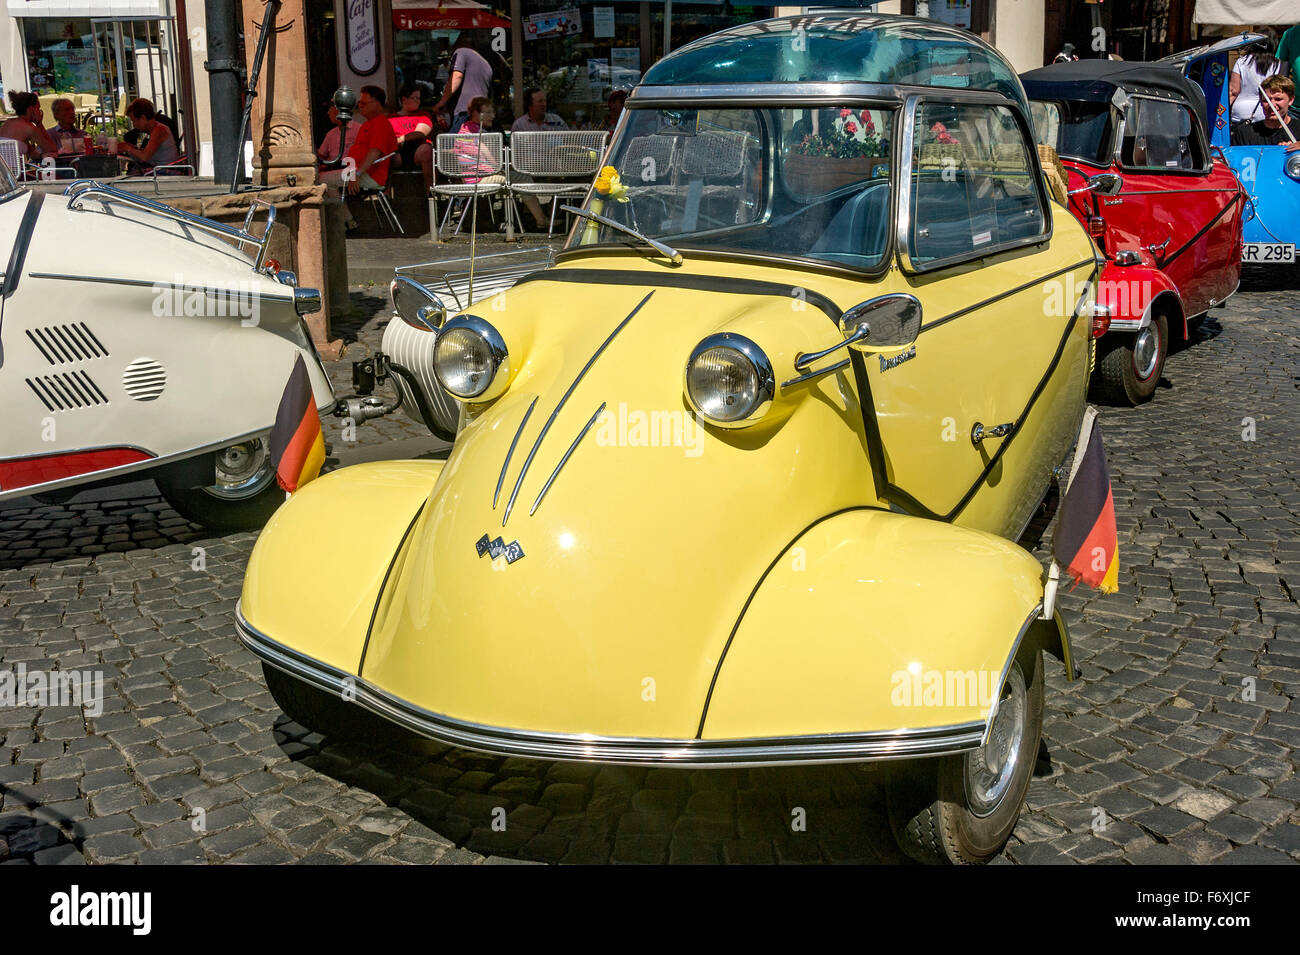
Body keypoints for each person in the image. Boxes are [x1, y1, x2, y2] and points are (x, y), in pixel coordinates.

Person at [320, 85, 399, 230]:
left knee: (322, 180)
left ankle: (345, 222)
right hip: (359, 172)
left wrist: (355, 174)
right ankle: (345, 221)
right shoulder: (369, 124)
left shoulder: (380, 124)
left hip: (368, 175)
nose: (359, 106)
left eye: (363, 103)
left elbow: (374, 152)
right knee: (322, 178)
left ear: (376, 104)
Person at [431, 31, 493, 134]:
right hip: (479, 114)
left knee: (451, 146)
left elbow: (457, 76)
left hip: (465, 113)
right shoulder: (485, 63)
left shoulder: (461, 51)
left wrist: (442, 102)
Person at [1232, 75, 1300, 149]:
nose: (1272, 105)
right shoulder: (1244, 133)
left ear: (1290, 100)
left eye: (1278, 99)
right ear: (1260, 102)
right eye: (1266, 100)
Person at [1230, 30, 1281, 124]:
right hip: (1266, 110)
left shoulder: (1241, 61)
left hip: (1241, 111)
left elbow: (1233, 91)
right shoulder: (1277, 64)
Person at [118, 98, 180, 171]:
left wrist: (128, 148)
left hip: (165, 171)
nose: (134, 125)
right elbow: (148, 153)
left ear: (143, 118)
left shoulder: (159, 130)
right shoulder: (154, 129)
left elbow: (145, 157)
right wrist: (132, 148)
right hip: (160, 169)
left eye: (134, 121)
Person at [0, 90, 57, 161]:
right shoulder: (28, 127)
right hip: (13, 171)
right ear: (32, 109)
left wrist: (41, 155)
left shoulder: (8, 123)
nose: (40, 111)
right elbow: (52, 149)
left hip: (6, 171)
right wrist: (39, 124)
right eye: (38, 108)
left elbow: (31, 153)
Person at [390, 82, 434, 168]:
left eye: (419, 98)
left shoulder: (423, 115)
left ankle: (429, 182)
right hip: (396, 151)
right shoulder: (390, 118)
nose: (417, 101)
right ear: (404, 99)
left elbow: (420, 133)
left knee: (426, 149)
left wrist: (399, 139)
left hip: (417, 149)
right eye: (414, 98)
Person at [316, 100, 359, 166]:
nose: (328, 113)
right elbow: (321, 155)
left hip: (350, 170)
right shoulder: (330, 134)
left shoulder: (359, 129)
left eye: (330, 110)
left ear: (338, 111)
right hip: (331, 171)